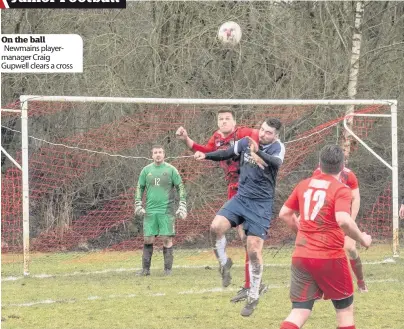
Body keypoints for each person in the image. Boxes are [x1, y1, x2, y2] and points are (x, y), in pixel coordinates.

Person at [194, 118, 285, 317]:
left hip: (261, 205)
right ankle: (224, 262)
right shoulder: (246, 141)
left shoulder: (278, 148)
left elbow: (276, 163)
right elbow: (226, 152)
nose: (262, 134)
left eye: (268, 132)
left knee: (253, 250)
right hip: (241, 198)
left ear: (276, 135)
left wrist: (257, 151)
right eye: (262, 129)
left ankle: (253, 295)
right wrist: (206, 155)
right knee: (215, 227)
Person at [278, 144, 372, 329]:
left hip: (301, 256)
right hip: (329, 258)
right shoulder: (341, 189)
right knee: (344, 311)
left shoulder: (303, 185)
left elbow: (284, 214)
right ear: (342, 166)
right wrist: (362, 239)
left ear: (319, 164)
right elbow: (343, 220)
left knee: (299, 311)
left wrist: (300, 232)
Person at [176, 109, 264, 303]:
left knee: (247, 239)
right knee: (216, 228)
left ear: (234, 122)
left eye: (227, 119)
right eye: (220, 119)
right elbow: (207, 151)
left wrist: (262, 148)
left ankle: (251, 286)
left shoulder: (243, 133)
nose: (223, 122)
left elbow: (262, 136)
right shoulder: (216, 137)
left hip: (250, 190)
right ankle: (225, 262)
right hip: (233, 190)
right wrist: (186, 139)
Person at [312, 165, 367, 292]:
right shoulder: (318, 172)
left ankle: (361, 282)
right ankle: (321, 285)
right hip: (326, 220)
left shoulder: (349, 175)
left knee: (350, 248)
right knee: (322, 250)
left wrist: (351, 220)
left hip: (344, 216)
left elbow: (356, 198)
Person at [135, 145, 187, 276]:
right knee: (148, 239)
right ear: (152, 155)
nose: (158, 154)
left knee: (166, 238)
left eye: (160, 152)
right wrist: (138, 203)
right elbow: (139, 187)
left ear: (164, 154)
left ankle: (167, 270)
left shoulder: (171, 170)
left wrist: (182, 203)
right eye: (155, 153)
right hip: (150, 211)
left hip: (166, 210)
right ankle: (145, 270)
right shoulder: (146, 171)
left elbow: (180, 186)